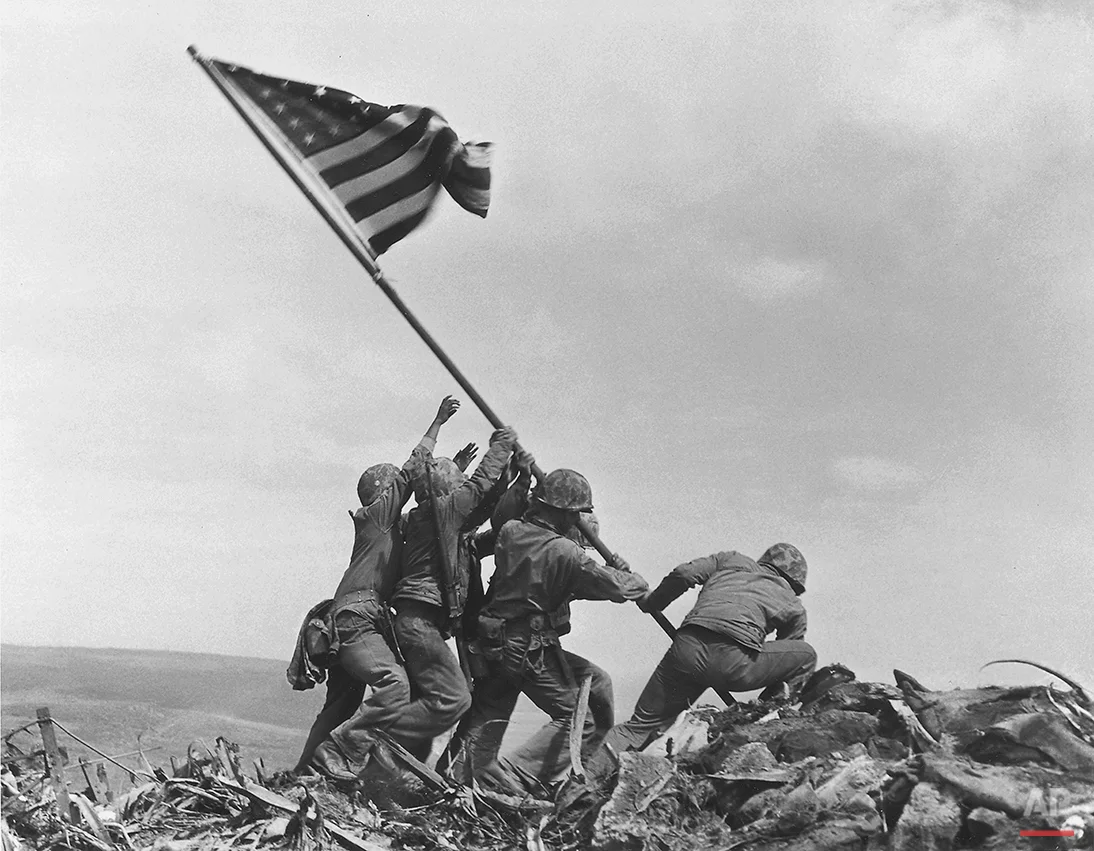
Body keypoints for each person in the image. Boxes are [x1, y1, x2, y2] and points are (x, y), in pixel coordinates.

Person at [300, 396, 461, 778]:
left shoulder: (385, 527)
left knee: (342, 704)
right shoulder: (377, 516)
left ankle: (305, 773)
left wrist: (453, 473)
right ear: (385, 492)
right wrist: (437, 423)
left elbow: (432, 506)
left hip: (351, 619)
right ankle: (339, 753)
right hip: (357, 619)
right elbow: (412, 469)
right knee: (395, 685)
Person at [459, 469, 649, 792]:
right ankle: (515, 777)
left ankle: (461, 778)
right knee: (580, 719)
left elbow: (563, 580)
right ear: (561, 512)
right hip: (526, 648)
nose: (576, 520)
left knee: (594, 683)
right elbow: (618, 588)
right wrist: (631, 577)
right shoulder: (565, 552)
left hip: (495, 642)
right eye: (574, 513)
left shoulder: (512, 531)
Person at [587, 543, 816, 777]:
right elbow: (786, 664)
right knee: (807, 655)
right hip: (734, 663)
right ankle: (765, 719)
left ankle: (584, 780)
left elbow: (684, 574)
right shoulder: (793, 604)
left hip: (687, 650)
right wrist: (765, 705)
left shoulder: (731, 560)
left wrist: (653, 603)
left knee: (638, 727)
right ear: (795, 582)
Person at [382, 425, 521, 760]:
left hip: (419, 623)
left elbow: (483, 512)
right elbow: (479, 487)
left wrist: (512, 479)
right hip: (419, 624)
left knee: (427, 704)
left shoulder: (434, 521)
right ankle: (371, 738)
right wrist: (501, 446)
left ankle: (391, 769)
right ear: (446, 491)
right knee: (455, 699)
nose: (463, 489)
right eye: (458, 484)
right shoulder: (441, 512)